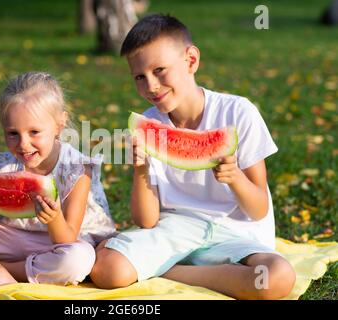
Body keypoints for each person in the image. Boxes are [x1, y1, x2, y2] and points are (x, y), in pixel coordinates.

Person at [90, 14, 296, 300]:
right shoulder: (149, 125)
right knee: (107, 270)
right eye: (139, 77)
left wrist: (235, 178)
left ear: (191, 61)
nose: (150, 86)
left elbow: (259, 208)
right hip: (175, 230)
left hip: (235, 234)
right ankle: (213, 276)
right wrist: (140, 169)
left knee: (275, 278)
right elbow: (146, 221)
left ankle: (165, 271)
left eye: (160, 70)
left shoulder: (238, 112)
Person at [0, 71, 116, 296]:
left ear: (59, 125)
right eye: (12, 134)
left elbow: (66, 238)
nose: (23, 144)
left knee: (78, 260)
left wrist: (54, 217)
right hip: (13, 239)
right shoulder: (4, 167)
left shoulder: (77, 168)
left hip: (61, 244)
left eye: (34, 132)